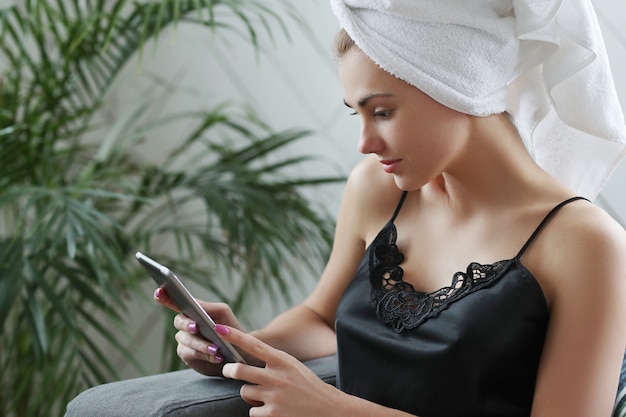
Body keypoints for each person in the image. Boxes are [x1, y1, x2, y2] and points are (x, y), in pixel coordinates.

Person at [155, 1, 626, 416]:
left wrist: (336, 412)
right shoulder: (378, 191)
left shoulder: (585, 245)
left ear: (457, 83)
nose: (364, 143)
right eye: (355, 113)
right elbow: (321, 321)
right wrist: (245, 345)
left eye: (381, 111)